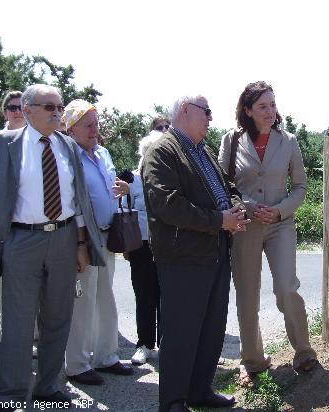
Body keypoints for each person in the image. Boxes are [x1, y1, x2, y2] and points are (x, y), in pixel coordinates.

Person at [0, 84, 104, 410]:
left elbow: (77, 199)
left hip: (64, 239)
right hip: (21, 240)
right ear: (27, 111)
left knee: (58, 316)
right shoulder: (1, 145)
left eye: (59, 106)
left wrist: (81, 244)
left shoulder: (66, 146)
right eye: (49, 107)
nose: (57, 113)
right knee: (18, 321)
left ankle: (49, 386)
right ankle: (10, 395)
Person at [141, 94, 249, 412]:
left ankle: (200, 391)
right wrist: (219, 220)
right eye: (207, 112)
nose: (210, 118)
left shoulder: (204, 150)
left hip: (214, 250)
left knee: (211, 328)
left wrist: (237, 209)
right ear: (186, 111)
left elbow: (227, 188)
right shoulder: (162, 151)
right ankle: (173, 401)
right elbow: (168, 206)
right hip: (182, 257)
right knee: (181, 332)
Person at [219, 81, 318, 384]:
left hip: (280, 225)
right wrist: (246, 205)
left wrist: (278, 210)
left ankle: (304, 353)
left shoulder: (288, 141)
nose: (270, 111)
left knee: (286, 287)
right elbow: (224, 185)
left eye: (273, 105)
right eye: (262, 106)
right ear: (247, 110)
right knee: (247, 296)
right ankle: (254, 362)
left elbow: (301, 187)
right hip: (244, 226)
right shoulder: (231, 141)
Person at [63, 100, 133, 386]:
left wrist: (124, 189)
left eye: (96, 123)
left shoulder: (102, 153)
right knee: (83, 301)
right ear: (71, 128)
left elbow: (109, 188)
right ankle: (77, 364)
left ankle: (106, 356)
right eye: (88, 124)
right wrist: (79, 243)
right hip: (83, 237)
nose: (95, 129)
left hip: (107, 234)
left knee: (105, 296)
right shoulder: (68, 156)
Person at [125, 117, 169, 366]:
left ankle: (165, 343)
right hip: (140, 245)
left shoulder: (170, 177)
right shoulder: (132, 179)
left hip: (166, 245)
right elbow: (126, 211)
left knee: (166, 295)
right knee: (144, 295)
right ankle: (144, 344)